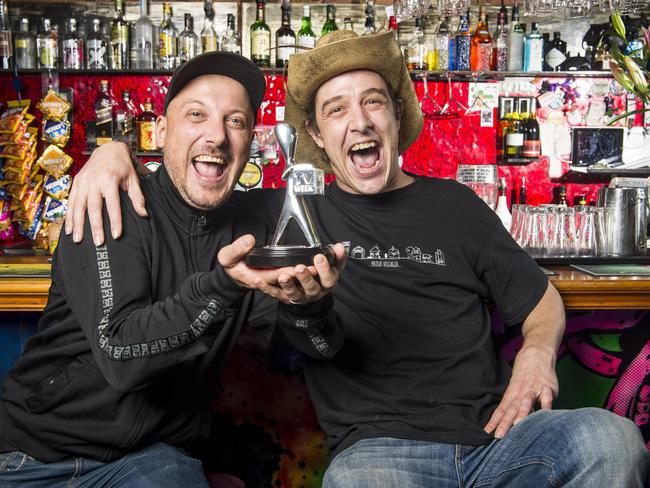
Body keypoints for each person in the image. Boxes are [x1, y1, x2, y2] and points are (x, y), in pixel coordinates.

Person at [65, 32, 649, 487]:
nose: (360, 121)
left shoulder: (457, 206)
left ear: (397, 118)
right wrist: (110, 152)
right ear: (317, 135)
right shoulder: (282, 212)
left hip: (501, 439)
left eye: (373, 103)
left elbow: (539, 297)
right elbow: (195, 172)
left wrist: (538, 357)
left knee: (612, 441)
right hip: (382, 456)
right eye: (337, 109)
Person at [0, 51, 345, 488]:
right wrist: (111, 150)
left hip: (151, 458)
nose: (216, 136)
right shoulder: (111, 200)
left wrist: (309, 307)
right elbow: (122, 357)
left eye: (235, 121)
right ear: (161, 131)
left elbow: (321, 348)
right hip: (35, 459)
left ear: (250, 142)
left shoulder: (256, 224)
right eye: (196, 115)